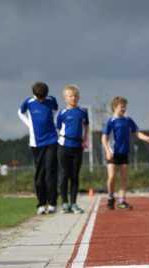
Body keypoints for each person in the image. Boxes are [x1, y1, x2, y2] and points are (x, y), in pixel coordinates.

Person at [101, 96, 149, 210]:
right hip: (112, 152)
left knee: (123, 177)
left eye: (125, 107)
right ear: (114, 107)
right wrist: (107, 151)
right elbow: (104, 137)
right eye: (121, 106)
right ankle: (111, 197)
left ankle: (122, 200)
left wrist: (146, 138)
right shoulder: (111, 121)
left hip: (124, 152)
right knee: (111, 177)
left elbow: (136, 132)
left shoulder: (128, 120)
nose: (124, 109)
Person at [18, 82, 59, 215]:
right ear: (34, 94)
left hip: (52, 139)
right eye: (39, 98)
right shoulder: (28, 102)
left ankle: (52, 202)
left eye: (43, 98)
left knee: (51, 170)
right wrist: (30, 124)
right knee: (40, 173)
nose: (42, 100)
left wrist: (53, 121)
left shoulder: (51, 100)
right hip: (36, 142)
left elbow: (55, 110)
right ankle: (41, 204)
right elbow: (20, 112)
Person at [56, 85, 89, 214]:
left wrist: (84, 139)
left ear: (78, 97)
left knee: (75, 175)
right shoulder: (62, 113)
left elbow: (86, 125)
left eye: (75, 96)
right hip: (64, 146)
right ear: (65, 98)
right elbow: (58, 128)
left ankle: (74, 203)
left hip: (77, 147)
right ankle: (64, 203)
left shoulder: (82, 111)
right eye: (71, 96)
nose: (73, 98)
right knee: (64, 174)